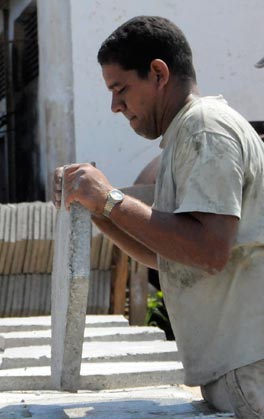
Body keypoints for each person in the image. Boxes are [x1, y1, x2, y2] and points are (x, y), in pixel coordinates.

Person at [53, 16, 264, 418]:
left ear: (158, 73)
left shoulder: (205, 130)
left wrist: (110, 198)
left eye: (120, 89)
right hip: (239, 369)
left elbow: (209, 250)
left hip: (249, 368)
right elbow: (171, 256)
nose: (115, 105)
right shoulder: (187, 135)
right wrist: (99, 212)